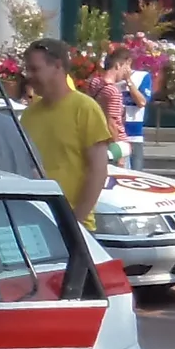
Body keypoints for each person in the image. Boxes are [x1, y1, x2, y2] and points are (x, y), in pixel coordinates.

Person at [19, 39, 114, 228]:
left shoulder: (85, 108)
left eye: (35, 69)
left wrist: (74, 223)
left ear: (57, 66)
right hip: (36, 223)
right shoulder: (29, 115)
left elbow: (98, 171)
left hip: (74, 226)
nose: (29, 76)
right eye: (27, 70)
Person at [84, 44, 134, 165]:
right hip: (115, 146)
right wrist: (119, 155)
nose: (127, 72)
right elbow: (112, 123)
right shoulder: (113, 92)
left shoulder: (94, 82)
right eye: (125, 67)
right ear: (117, 65)